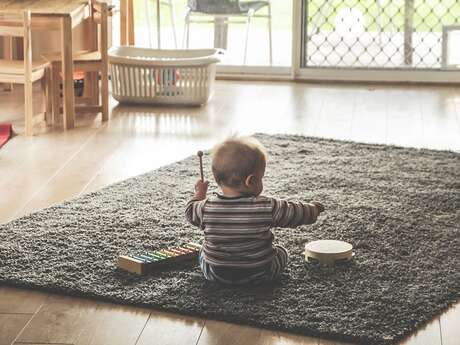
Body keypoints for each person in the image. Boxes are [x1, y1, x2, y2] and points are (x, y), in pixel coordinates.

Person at [185, 136, 325, 285]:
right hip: (260, 273)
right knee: (282, 252)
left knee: (202, 251)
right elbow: (295, 213)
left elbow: (190, 211)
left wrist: (199, 194)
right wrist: (314, 209)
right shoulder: (266, 206)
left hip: (216, 274)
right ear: (250, 181)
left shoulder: (205, 207)